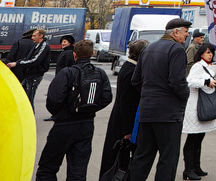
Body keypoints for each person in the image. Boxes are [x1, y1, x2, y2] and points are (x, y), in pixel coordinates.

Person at [36, 39, 113, 181]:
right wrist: (90, 108)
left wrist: (61, 112)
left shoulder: (67, 72)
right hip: (86, 124)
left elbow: (54, 99)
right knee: (78, 170)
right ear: (92, 53)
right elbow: (107, 97)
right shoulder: (100, 73)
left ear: (74, 54)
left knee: (48, 167)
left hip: (64, 124)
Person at [130, 18, 191, 181]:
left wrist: (149, 95)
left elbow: (135, 80)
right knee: (168, 158)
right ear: (176, 32)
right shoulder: (177, 49)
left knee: (142, 157)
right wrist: (185, 96)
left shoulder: (149, 48)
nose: (187, 36)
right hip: (168, 114)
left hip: (147, 111)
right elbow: (177, 82)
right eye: (185, 31)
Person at [100, 38, 149, 176]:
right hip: (123, 122)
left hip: (120, 119)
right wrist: (128, 130)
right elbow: (127, 103)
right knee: (120, 160)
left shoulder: (129, 66)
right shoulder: (132, 70)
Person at [181, 42, 216, 180]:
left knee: (199, 138)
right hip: (194, 107)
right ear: (201, 53)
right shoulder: (198, 66)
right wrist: (205, 82)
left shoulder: (209, 66)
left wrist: (213, 81)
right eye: (208, 52)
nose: (210, 55)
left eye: (212, 52)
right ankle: (188, 169)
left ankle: (196, 167)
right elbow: (190, 81)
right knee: (193, 138)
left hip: (203, 106)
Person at [7, 27, 50, 110]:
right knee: (22, 96)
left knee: (29, 99)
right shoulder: (37, 45)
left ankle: (30, 118)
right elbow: (28, 58)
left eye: (34, 36)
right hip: (28, 74)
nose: (32, 38)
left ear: (41, 36)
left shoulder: (44, 46)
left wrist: (16, 63)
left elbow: (35, 61)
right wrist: (17, 63)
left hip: (34, 75)